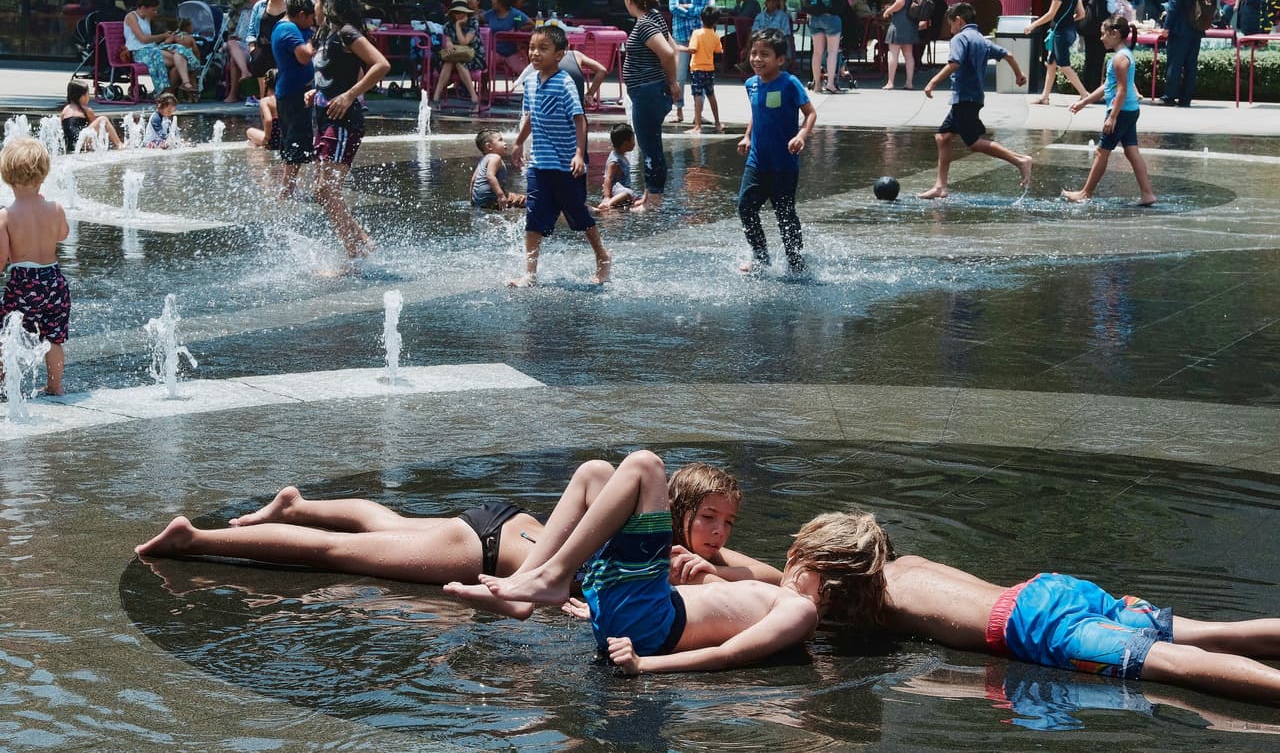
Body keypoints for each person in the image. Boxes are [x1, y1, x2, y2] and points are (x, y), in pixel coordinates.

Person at [445, 449, 871, 675]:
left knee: (646, 464)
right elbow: (723, 612)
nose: (789, 561)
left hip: (651, 625)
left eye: (799, 556)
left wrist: (644, 665)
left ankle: (552, 577)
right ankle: (527, 585)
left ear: (818, 567)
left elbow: (727, 654)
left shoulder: (799, 611)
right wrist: (598, 609)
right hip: (639, 611)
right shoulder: (781, 598)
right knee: (595, 472)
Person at [805, 509, 1280, 704]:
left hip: (1034, 624)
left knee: (1173, 663)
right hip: (1048, 590)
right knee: (1212, 632)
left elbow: (795, 611)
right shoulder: (907, 563)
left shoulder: (871, 604)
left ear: (834, 578)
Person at [134, 459, 777, 587]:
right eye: (709, 519)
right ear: (676, 513)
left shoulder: (690, 550)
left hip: (502, 521)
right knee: (335, 555)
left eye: (728, 522)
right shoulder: (652, 544)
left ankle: (294, 506)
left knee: (387, 522)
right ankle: (198, 539)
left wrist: (799, 578)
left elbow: (765, 576)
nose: (720, 533)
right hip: (482, 549)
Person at [507, 24, 610, 287]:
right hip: (540, 163)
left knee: (578, 214)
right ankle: (529, 274)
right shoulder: (530, 82)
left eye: (543, 48)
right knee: (533, 217)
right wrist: (518, 142)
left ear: (559, 54)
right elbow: (530, 116)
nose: (535, 53)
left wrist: (579, 154)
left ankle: (602, 256)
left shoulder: (564, 83)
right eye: (532, 47)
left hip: (566, 165)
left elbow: (580, 119)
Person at [919, 3, 1034, 200]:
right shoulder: (981, 39)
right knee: (943, 137)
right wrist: (1019, 74)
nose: (950, 28)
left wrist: (932, 82)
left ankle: (1020, 160)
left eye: (950, 24)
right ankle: (940, 187)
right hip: (972, 98)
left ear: (958, 20)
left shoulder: (960, 38)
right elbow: (1008, 54)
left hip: (964, 97)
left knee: (973, 142)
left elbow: (954, 63)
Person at [308, 0, 389, 259]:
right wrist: (317, 91)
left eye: (317, 0)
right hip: (324, 118)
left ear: (328, 4)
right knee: (321, 190)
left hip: (342, 122)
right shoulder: (326, 34)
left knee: (326, 189)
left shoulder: (347, 32)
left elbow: (381, 64)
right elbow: (340, 73)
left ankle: (355, 253)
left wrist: (349, 95)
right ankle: (361, 243)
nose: (314, 6)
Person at [736, 28, 817, 275]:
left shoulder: (789, 83)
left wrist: (801, 135)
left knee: (785, 214)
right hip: (757, 161)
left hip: (784, 163)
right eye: (754, 53)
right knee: (745, 207)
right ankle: (761, 257)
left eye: (765, 54)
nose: (757, 59)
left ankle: (795, 261)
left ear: (780, 59)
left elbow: (810, 113)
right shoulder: (751, 84)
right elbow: (757, 112)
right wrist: (747, 136)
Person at [0, 138, 70, 396]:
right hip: (54, 281)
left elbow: (1, 257)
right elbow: (63, 234)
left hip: (23, 283)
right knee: (53, 337)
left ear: (7, 177)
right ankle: (55, 386)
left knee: (4, 334)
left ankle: (3, 382)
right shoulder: (55, 208)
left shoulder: (6, 215)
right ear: (43, 174)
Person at [1062, 16, 1156, 206]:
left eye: (1103, 34)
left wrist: (1112, 117)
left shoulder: (1120, 59)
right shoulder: (1123, 55)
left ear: (1115, 34)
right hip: (1130, 110)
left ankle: (1085, 193)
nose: (1101, 38)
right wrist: (1084, 102)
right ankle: (1147, 194)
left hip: (1121, 111)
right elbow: (1108, 86)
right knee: (1131, 151)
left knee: (1100, 152)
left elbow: (1121, 90)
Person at [621, 0, 680, 213]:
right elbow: (673, 49)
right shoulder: (655, 17)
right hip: (650, 91)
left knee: (650, 147)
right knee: (651, 143)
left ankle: (653, 201)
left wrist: (673, 82)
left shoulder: (645, 23)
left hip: (648, 92)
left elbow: (668, 53)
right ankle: (649, 195)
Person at [270, 0, 316, 201]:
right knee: (295, 142)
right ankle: (286, 191)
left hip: (292, 91)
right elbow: (304, 57)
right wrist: (316, 38)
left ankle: (289, 188)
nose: (313, 22)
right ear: (301, 14)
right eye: (311, 18)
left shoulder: (291, 27)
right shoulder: (288, 29)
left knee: (298, 140)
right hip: (293, 93)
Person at [1023, 0, 1088, 105]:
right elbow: (1082, 14)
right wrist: (1070, 19)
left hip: (1060, 33)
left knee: (1064, 65)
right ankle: (1044, 96)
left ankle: (1084, 94)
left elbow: (1051, 14)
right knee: (1051, 64)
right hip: (1070, 32)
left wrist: (1033, 25)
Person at [668, 0, 717, 123]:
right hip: (681, 36)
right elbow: (673, 7)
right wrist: (698, 10)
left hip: (701, 37)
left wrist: (687, 8)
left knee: (700, 75)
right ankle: (679, 110)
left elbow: (710, 10)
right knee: (679, 76)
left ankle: (698, 114)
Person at [123, 0, 200, 99]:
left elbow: (161, 19)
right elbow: (143, 39)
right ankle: (169, 90)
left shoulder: (147, 17)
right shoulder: (131, 17)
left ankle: (185, 84)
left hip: (151, 48)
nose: (155, 12)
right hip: (139, 52)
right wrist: (163, 36)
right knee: (178, 59)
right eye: (153, 10)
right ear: (143, 8)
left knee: (179, 50)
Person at [1157, 0, 1207, 108]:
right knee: (1191, 64)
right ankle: (1186, 98)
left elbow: (1174, 5)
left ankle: (1169, 96)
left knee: (1175, 63)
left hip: (1180, 28)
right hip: (1197, 27)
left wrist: (1167, 26)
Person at [433, 0, 485, 114]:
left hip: (473, 56)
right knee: (449, 62)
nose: (459, 15)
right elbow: (448, 41)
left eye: (462, 12)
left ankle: (474, 99)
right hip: (455, 55)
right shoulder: (448, 25)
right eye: (457, 12)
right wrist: (449, 44)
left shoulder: (473, 23)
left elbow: (464, 42)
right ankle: (436, 98)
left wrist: (458, 25)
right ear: (452, 13)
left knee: (459, 63)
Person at [806, 0, 846, 94]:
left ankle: (817, 85)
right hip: (830, 17)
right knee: (832, 52)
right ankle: (830, 84)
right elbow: (841, 0)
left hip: (814, 17)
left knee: (817, 52)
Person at [247, 0, 290, 98]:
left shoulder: (290, 4)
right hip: (263, 52)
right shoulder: (259, 6)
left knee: (283, 93)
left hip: (284, 52)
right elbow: (251, 30)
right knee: (265, 94)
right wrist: (252, 49)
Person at [679, 8, 724, 133]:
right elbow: (719, 50)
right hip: (709, 69)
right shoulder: (715, 35)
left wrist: (679, 48)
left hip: (697, 69)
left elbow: (693, 49)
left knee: (697, 95)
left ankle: (697, 126)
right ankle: (717, 123)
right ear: (716, 22)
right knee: (711, 94)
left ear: (701, 19)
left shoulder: (697, 33)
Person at [881, 0, 920, 90]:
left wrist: (888, 11)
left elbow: (900, 2)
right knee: (908, 54)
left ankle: (890, 82)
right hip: (909, 22)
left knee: (893, 52)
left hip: (898, 23)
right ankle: (909, 83)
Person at [1078, 0, 1113, 93]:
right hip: (1103, 27)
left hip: (1087, 26)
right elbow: (1111, 8)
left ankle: (1085, 91)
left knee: (1089, 57)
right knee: (1099, 59)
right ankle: (1095, 91)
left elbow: (1080, 5)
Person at [225, 0, 263, 104]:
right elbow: (238, 32)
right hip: (242, 46)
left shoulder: (264, 12)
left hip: (255, 46)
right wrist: (236, 36)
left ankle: (233, 94)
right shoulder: (245, 13)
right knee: (232, 43)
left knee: (233, 59)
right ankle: (245, 72)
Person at [471, 127, 526, 210]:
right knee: (527, 201)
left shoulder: (483, 160)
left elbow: (473, 180)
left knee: (511, 196)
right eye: (500, 140)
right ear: (489, 146)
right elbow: (490, 176)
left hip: (479, 200)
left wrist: (472, 201)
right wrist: (501, 196)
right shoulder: (495, 157)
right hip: (492, 197)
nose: (505, 143)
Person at [60, 80, 124, 151]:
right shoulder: (86, 110)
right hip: (81, 142)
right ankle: (119, 144)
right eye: (88, 94)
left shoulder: (65, 110)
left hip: (71, 144)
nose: (89, 97)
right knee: (103, 120)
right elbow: (98, 128)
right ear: (82, 97)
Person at [483, 0, 534, 77]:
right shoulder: (491, 14)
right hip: (494, 51)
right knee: (482, 67)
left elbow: (531, 24)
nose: (492, 1)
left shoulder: (515, 15)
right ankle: (484, 84)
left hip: (512, 52)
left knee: (525, 74)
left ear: (501, 2)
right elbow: (478, 18)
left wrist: (518, 30)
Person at [594, 123, 638, 211]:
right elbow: (608, 178)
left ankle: (617, 204)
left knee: (637, 197)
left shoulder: (622, 157)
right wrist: (607, 196)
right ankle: (607, 204)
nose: (634, 143)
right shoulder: (615, 161)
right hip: (615, 190)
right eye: (633, 140)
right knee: (628, 193)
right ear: (625, 144)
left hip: (622, 190)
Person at [244, 71, 279, 149]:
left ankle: (260, 154)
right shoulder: (284, 99)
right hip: (285, 139)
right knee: (253, 141)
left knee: (249, 132)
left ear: (265, 83)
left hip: (273, 140)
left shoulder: (265, 101)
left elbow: (268, 120)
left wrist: (267, 137)